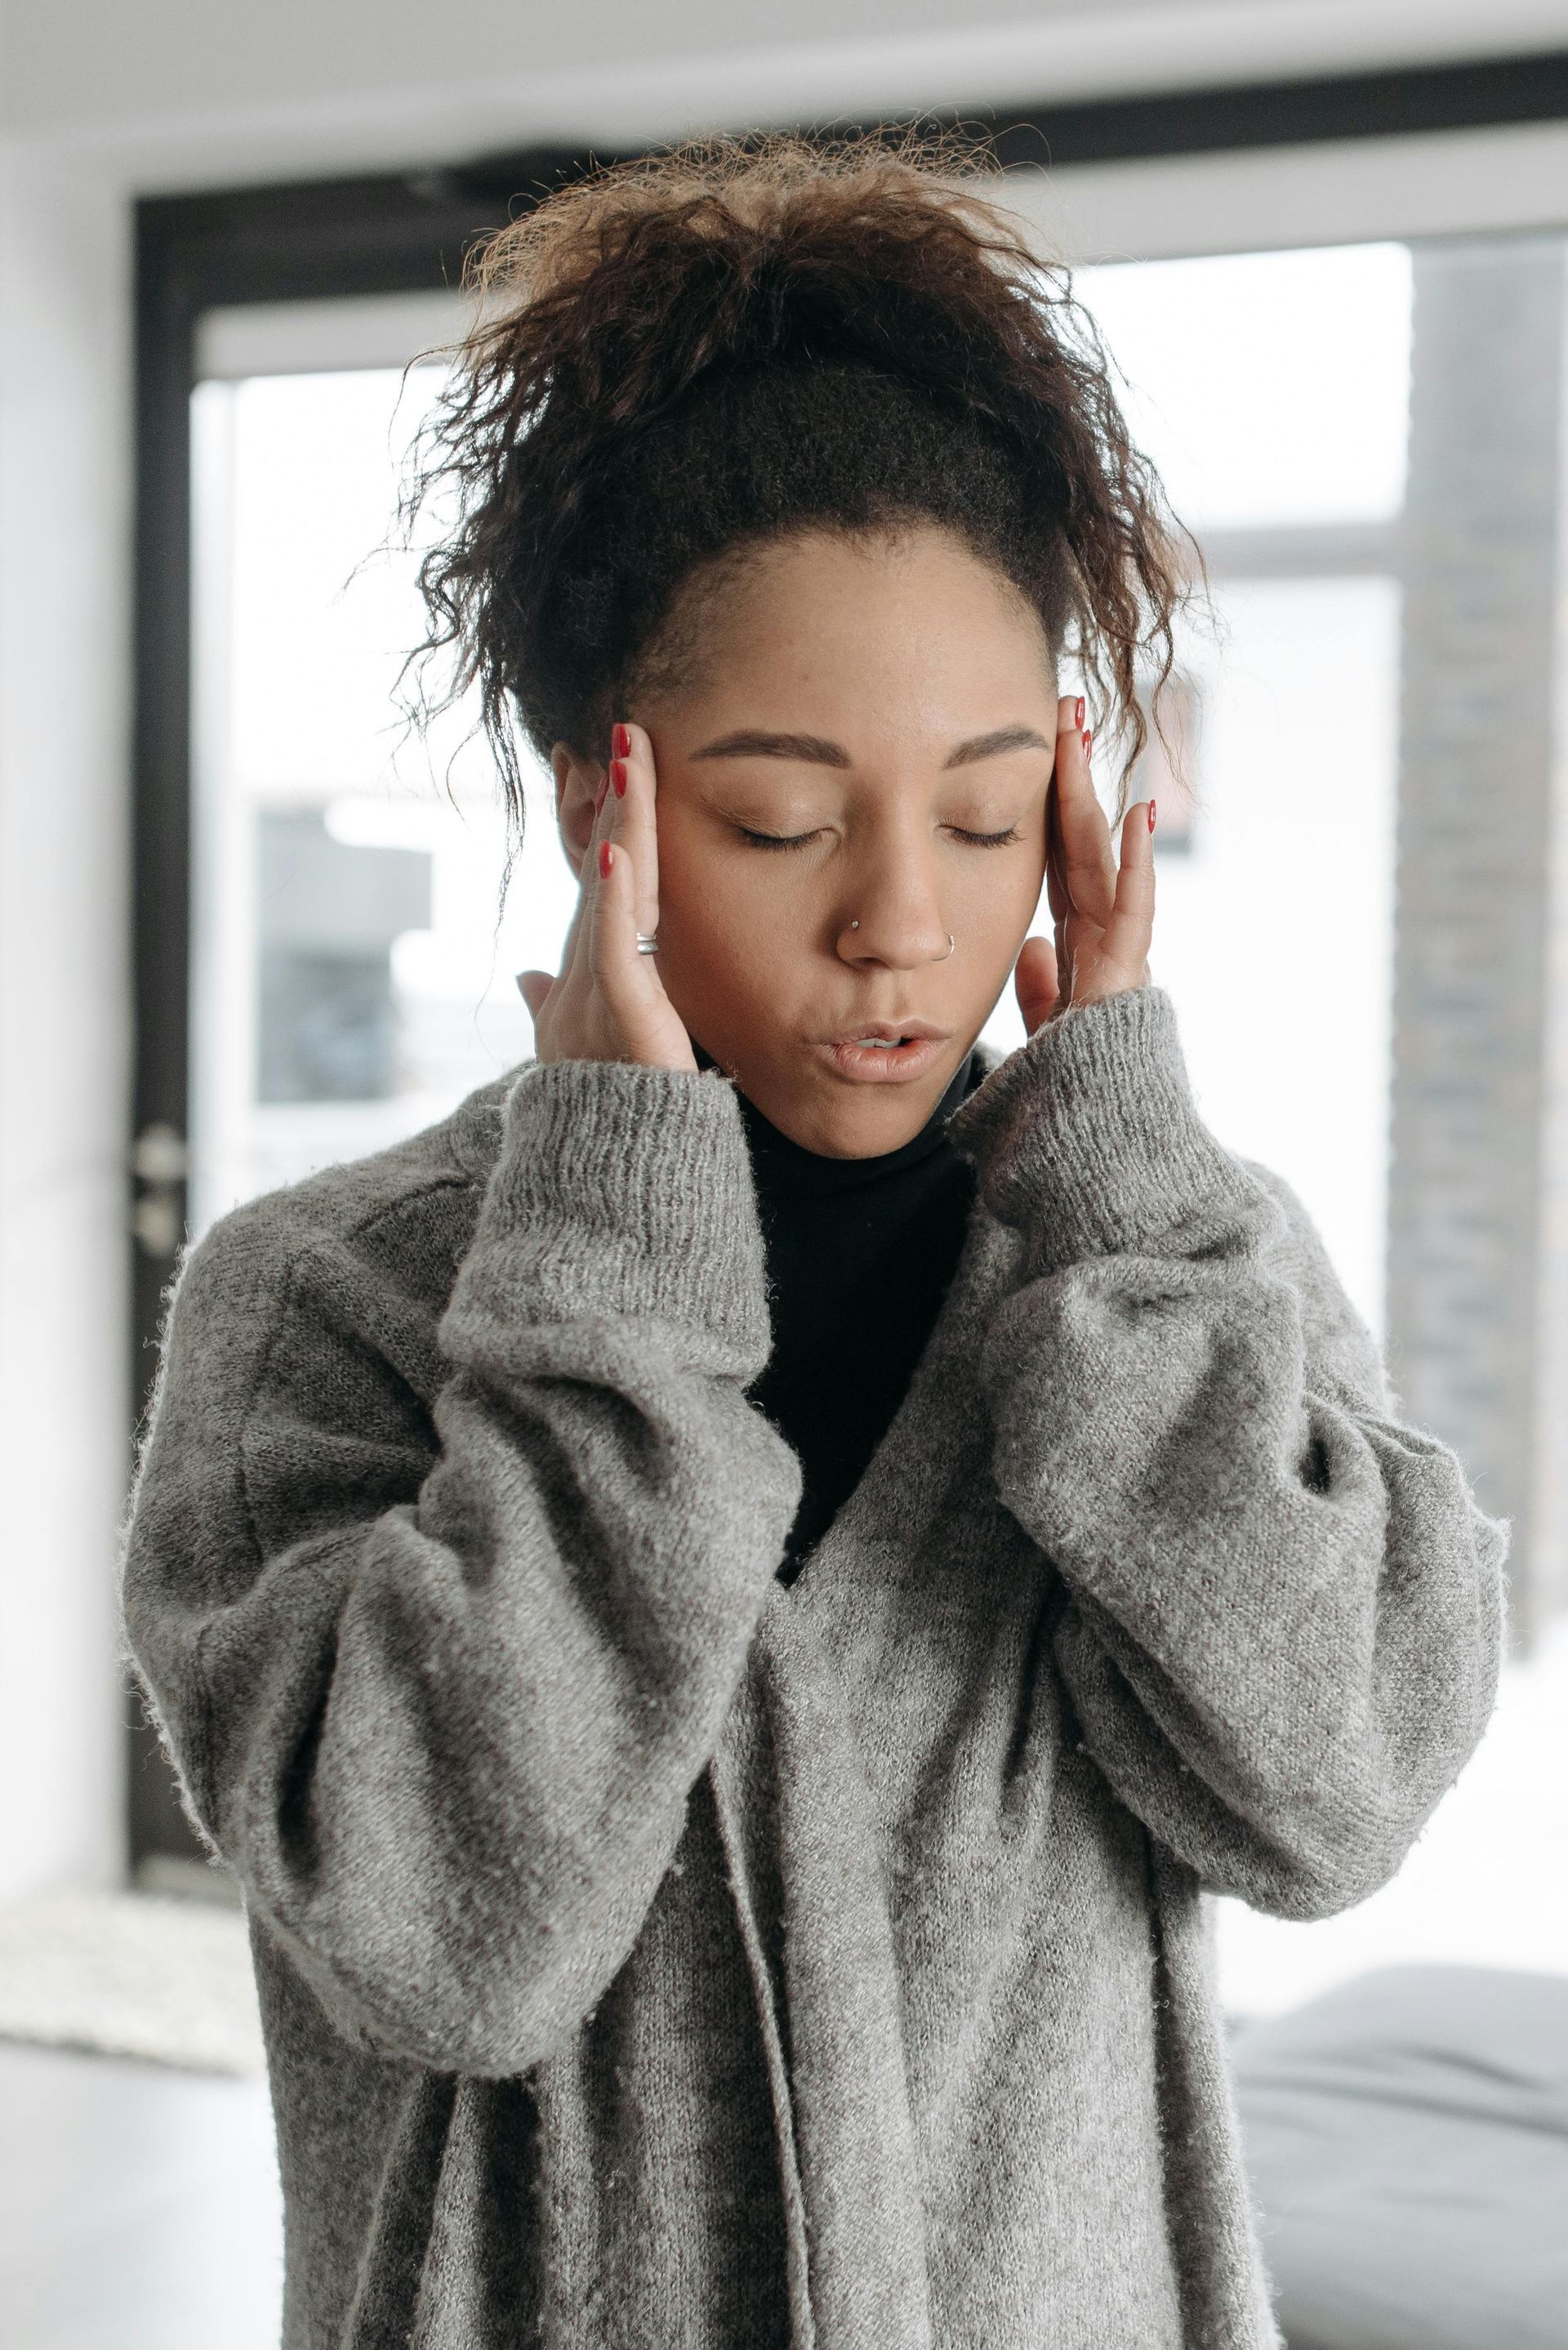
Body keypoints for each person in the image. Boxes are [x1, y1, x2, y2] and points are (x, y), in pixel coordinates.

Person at [118, 138, 1508, 2350]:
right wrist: (613, 1244)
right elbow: (440, 1941)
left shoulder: (1155, 1271)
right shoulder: (326, 1304)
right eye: (781, 820)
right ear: (611, 805)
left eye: (981, 814)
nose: (905, 920)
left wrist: (1125, 1180)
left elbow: (1332, 1799)